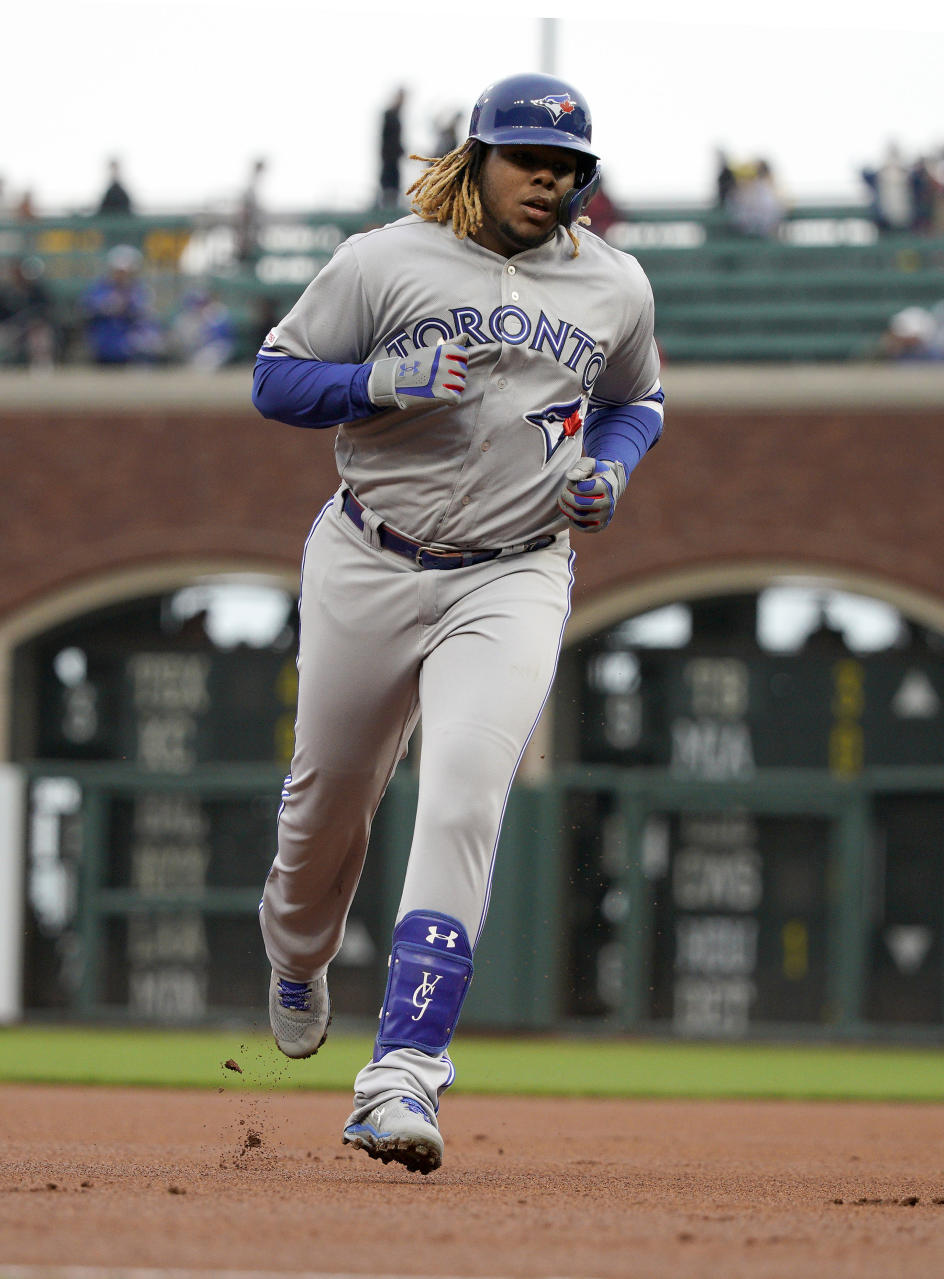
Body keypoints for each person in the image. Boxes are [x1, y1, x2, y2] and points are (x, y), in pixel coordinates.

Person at [251, 71, 664, 1176]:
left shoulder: (615, 284)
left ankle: (402, 1077)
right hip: (368, 553)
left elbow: (638, 401)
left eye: (569, 166)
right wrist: (382, 379)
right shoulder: (385, 258)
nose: (551, 179)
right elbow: (275, 379)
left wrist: (610, 475)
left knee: (466, 797)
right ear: (475, 156)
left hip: (516, 572)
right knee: (327, 799)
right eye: (530, 157)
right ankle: (298, 953)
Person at [81, 244, 163, 364]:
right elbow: (88, 308)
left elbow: (145, 315)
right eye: (118, 271)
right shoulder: (100, 289)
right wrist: (108, 305)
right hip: (104, 343)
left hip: (131, 349)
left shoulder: (139, 290)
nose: (121, 275)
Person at [378, 88, 406, 206]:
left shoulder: (396, 115)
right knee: (389, 182)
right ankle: (387, 205)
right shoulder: (390, 115)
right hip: (389, 157)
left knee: (394, 182)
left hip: (393, 157)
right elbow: (389, 139)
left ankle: (390, 203)